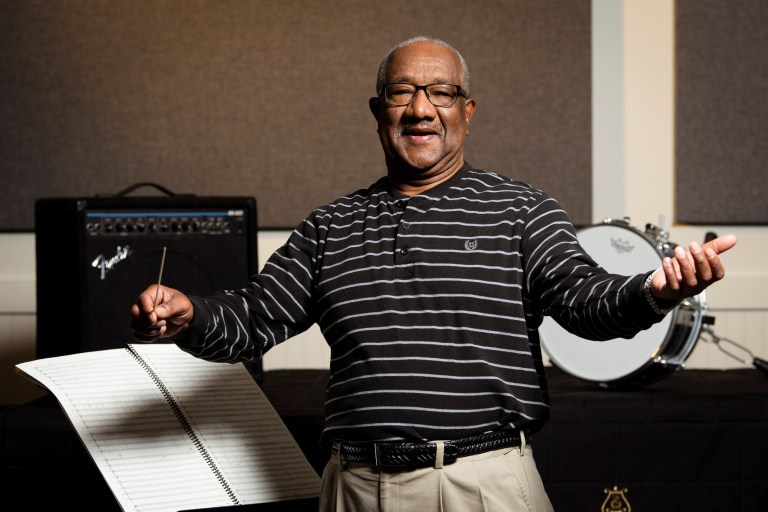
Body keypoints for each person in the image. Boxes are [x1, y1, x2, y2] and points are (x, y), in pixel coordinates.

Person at [131, 35, 736, 511]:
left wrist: (654, 291)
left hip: (483, 486)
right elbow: (254, 317)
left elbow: (586, 302)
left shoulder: (521, 211)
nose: (421, 109)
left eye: (441, 92)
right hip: (353, 488)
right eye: (402, 92)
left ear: (466, 112)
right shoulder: (331, 224)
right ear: (378, 111)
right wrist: (191, 313)